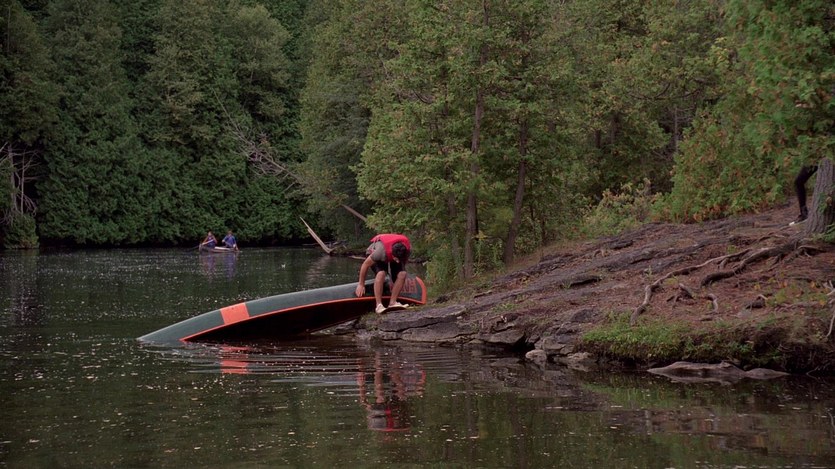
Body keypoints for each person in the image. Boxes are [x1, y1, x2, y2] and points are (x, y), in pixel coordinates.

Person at [354, 233, 411, 314]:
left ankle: (393, 302)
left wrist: (396, 280)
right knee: (381, 273)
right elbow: (365, 265)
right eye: (396, 259)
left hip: (392, 253)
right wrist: (361, 284)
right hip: (375, 250)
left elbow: (400, 264)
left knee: (402, 274)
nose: (398, 261)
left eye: (399, 259)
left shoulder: (406, 250)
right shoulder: (380, 252)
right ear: (392, 254)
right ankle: (379, 305)